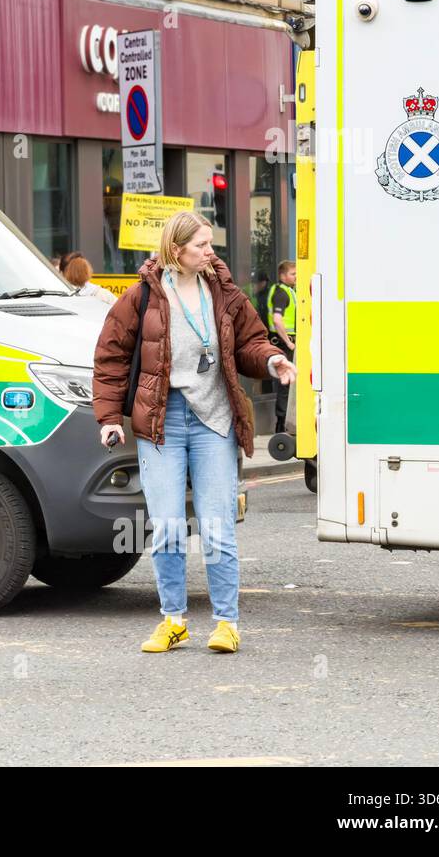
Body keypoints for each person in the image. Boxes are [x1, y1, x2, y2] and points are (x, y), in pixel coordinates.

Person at [91, 211, 296, 655]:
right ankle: (173, 620)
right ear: (176, 249)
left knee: (218, 526)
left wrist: (271, 361)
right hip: (162, 419)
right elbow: (110, 358)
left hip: (214, 419)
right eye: (202, 245)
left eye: (210, 244)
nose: (210, 252)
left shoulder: (223, 292)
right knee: (166, 526)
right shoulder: (140, 297)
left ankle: (226, 623)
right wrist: (108, 418)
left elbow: (250, 342)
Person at [266, 260, 297, 434]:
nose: (296, 277)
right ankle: (281, 424)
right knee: (285, 385)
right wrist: (289, 342)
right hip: (283, 344)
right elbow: (278, 320)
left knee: (288, 384)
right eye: (293, 274)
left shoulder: (289, 292)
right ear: (283, 275)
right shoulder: (281, 293)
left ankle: (283, 422)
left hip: (285, 343)